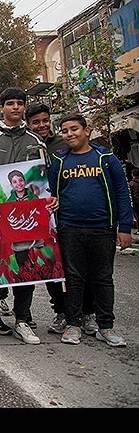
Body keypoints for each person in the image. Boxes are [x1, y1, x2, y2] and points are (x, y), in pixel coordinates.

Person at [48, 114, 130, 348]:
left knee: (103, 278)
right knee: (73, 278)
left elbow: (122, 193)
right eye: (64, 131)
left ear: (87, 130)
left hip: (102, 228)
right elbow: (51, 192)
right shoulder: (60, 161)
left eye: (74, 129)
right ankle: (74, 324)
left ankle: (106, 326)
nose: (69, 134)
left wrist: (124, 227)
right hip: (70, 228)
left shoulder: (106, 158)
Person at [0, 88, 45, 347]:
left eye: (19, 103)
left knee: (27, 268)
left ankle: (23, 320)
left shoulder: (36, 142)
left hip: (27, 218)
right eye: (10, 104)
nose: (15, 107)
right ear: (1, 108)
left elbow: (42, 180)